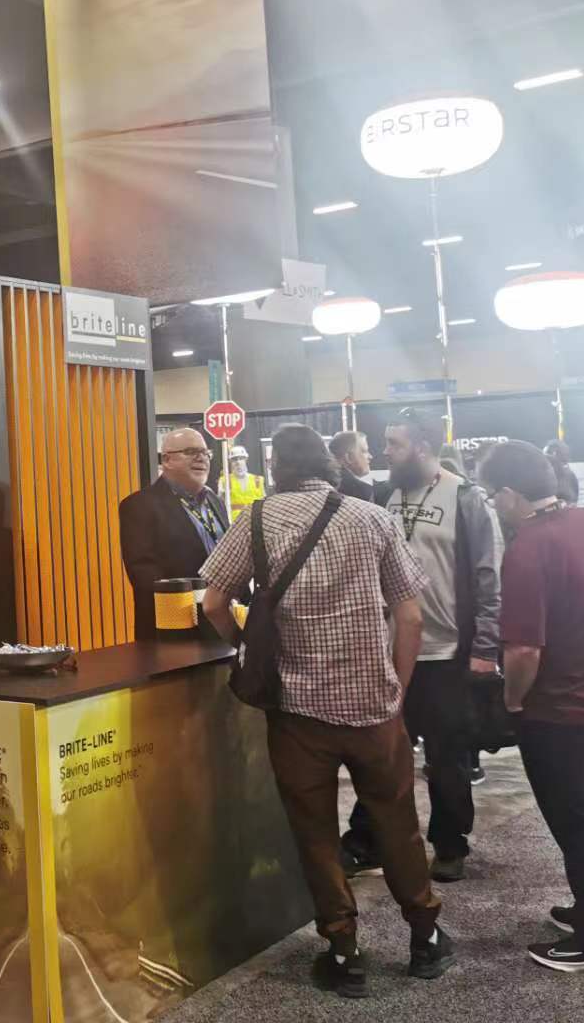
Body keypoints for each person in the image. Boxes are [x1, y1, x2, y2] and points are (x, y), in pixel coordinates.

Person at [200, 425, 450, 997]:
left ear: (276, 468)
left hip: (297, 711)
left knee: (314, 831)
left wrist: (247, 647)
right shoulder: (373, 518)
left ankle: (344, 950)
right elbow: (411, 616)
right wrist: (397, 688)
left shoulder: (256, 520)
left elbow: (213, 602)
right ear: (330, 465)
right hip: (373, 707)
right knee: (397, 822)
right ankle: (424, 936)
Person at [479, 441, 584, 977]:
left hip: (560, 713)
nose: (492, 505)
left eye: (491, 495)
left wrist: (512, 700)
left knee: (577, 825)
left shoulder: (528, 546)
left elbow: (524, 649)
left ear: (508, 494)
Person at [342, 409, 501, 883]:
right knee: (380, 754)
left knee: (447, 758)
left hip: (446, 652)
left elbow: (489, 579)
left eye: (394, 444)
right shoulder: (382, 496)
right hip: (388, 651)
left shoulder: (466, 499)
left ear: (423, 447)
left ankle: (450, 844)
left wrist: (485, 648)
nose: (384, 452)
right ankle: (367, 841)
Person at [118, 428, 230, 640]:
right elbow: (144, 576)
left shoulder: (215, 501)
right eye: (191, 451)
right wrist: (199, 608)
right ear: (167, 460)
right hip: (174, 631)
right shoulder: (139, 505)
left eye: (205, 453)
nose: (201, 458)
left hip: (223, 622)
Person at [329, 430, 376, 502]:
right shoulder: (364, 492)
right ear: (349, 457)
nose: (370, 457)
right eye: (364, 451)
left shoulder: (323, 484)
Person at [225, 444, 265, 517]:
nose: (238, 462)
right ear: (230, 461)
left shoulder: (258, 480)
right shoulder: (225, 481)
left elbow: (263, 503)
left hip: (254, 519)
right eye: (234, 459)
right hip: (234, 521)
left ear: (245, 459)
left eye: (241, 458)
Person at [544, 439, 581, 505]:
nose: (543, 457)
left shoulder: (567, 476)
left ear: (554, 454)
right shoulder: (570, 475)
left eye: (546, 454)